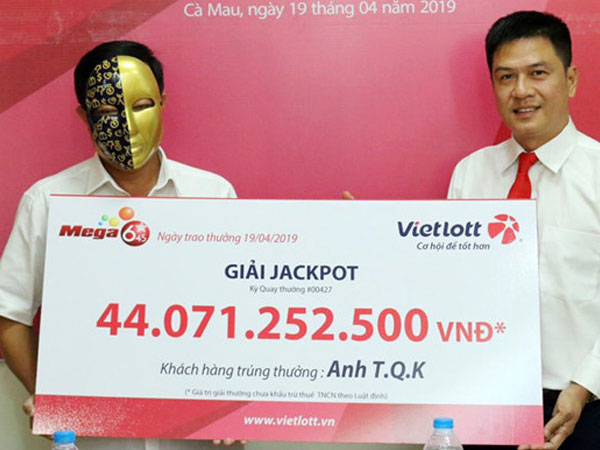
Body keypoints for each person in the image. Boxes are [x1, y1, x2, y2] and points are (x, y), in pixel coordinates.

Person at [0, 41, 243, 450]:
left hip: (199, 435)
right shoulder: (48, 201)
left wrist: (235, 403)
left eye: (142, 105)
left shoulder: (213, 194)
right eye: (107, 112)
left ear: (162, 102)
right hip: (94, 438)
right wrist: (48, 396)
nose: (127, 125)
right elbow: (10, 312)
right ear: (85, 116)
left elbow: (244, 303)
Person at [448, 11, 600, 450]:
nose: (521, 91)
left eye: (538, 73)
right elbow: (448, 283)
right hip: (485, 398)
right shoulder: (470, 173)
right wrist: (374, 245)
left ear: (570, 80)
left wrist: (583, 386)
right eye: (506, 77)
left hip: (582, 401)